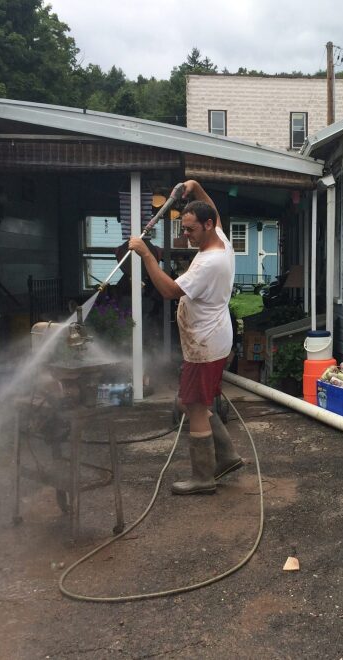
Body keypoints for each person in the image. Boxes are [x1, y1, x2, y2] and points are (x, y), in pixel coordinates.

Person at [129, 180, 242, 495]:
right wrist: (197, 187)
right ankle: (228, 457)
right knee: (188, 402)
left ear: (207, 226)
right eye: (184, 228)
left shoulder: (209, 262)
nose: (186, 235)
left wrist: (146, 255)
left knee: (193, 406)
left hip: (205, 343)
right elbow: (213, 210)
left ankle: (203, 477)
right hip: (210, 339)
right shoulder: (220, 240)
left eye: (191, 229)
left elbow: (169, 291)